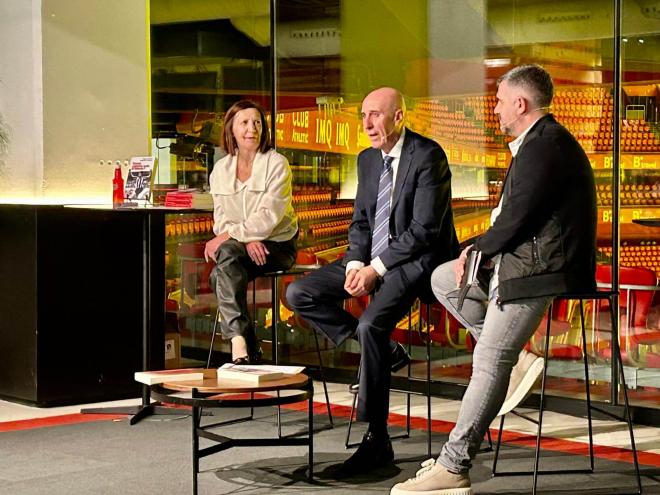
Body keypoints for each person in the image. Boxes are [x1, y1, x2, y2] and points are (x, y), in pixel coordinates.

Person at [390, 64, 597, 495]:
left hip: (538, 272)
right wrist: (474, 250)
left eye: (501, 100)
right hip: (524, 263)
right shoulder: (535, 145)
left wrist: (480, 250)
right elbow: (516, 219)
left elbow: (519, 218)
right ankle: (511, 354)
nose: (496, 108)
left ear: (520, 104)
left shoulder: (545, 147)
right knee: (445, 277)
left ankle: (454, 465)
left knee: (487, 363)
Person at [286, 87, 458, 475]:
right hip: (374, 259)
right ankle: (385, 354)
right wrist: (355, 264)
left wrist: (374, 269)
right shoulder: (367, 160)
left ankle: (377, 442)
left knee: (371, 325)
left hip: (417, 263)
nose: (367, 124)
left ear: (399, 117)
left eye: (376, 115)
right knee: (300, 292)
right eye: (363, 115)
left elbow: (424, 232)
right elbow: (362, 222)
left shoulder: (428, 156)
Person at [204, 100, 298, 364]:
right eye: (244, 123)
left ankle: (243, 343)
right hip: (242, 246)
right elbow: (221, 218)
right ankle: (241, 344)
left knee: (218, 275)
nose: (252, 129)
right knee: (226, 264)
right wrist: (245, 239)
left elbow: (268, 217)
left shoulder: (277, 164)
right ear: (231, 129)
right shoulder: (221, 170)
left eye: (257, 122)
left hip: (277, 245)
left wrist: (233, 237)